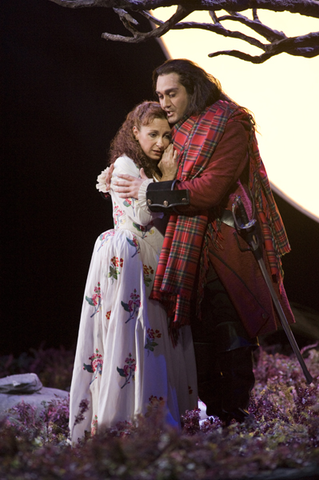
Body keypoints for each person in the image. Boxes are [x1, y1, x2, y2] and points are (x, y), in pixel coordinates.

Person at [113, 59, 295, 425]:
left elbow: (210, 189)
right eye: (160, 95)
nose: (164, 102)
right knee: (195, 341)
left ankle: (236, 419)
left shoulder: (230, 123)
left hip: (227, 244)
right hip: (185, 246)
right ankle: (210, 419)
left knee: (232, 336)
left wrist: (154, 191)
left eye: (172, 93)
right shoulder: (174, 131)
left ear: (193, 89)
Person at [68, 101, 198, 444]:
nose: (160, 142)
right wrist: (168, 180)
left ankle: (156, 417)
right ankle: (130, 423)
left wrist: (165, 180)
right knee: (136, 340)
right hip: (132, 265)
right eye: (152, 134)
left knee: (154, 340)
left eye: (166, 135)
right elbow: (141, 218)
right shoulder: (125, 164)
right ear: (135, 133)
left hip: (153, 263)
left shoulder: (152, 169)